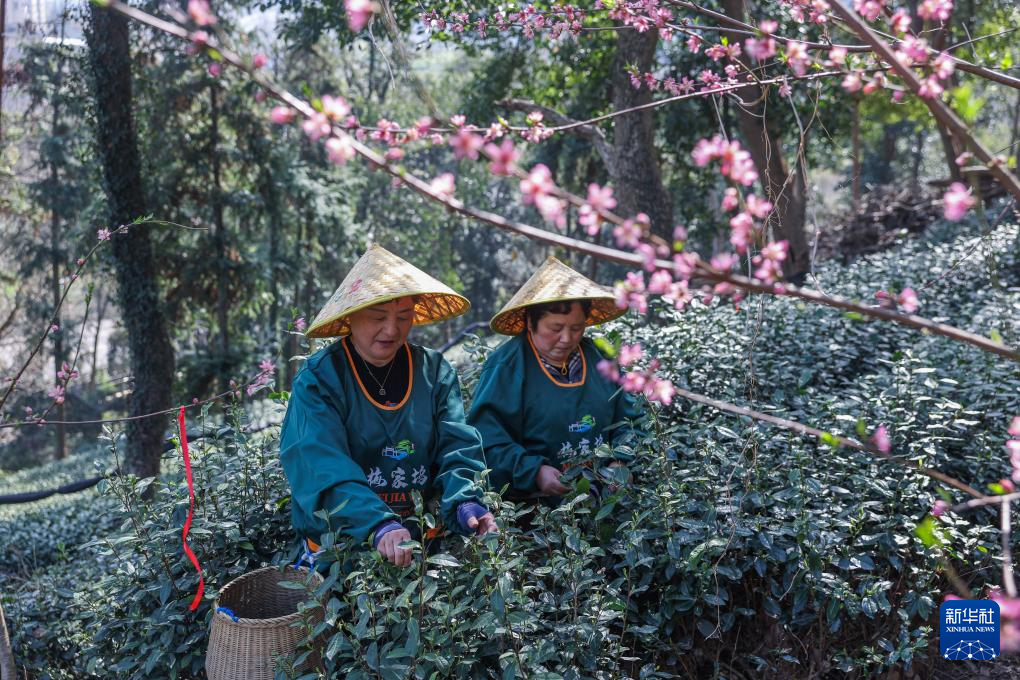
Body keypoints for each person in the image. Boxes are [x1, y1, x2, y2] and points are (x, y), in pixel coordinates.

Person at [280, 244, 496, 568]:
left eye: (404, 316)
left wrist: (464, 498)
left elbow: (457, 445)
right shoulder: (320, 380)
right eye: (378, 317)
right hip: (345, 557)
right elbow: (319, 465)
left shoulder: (434, 372)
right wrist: (376, 522)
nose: (392, 330)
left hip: (422, 550)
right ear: (349, 316)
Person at [467, 256, 644, 501]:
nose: (567, 338)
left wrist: (620, 463)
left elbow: (633, 420)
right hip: (535, 517)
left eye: (576, 328)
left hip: (603, 502)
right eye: (555, 328)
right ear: (531, 322)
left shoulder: (600, 359)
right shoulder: (506, 367)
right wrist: (534, 472)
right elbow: (485, 441)